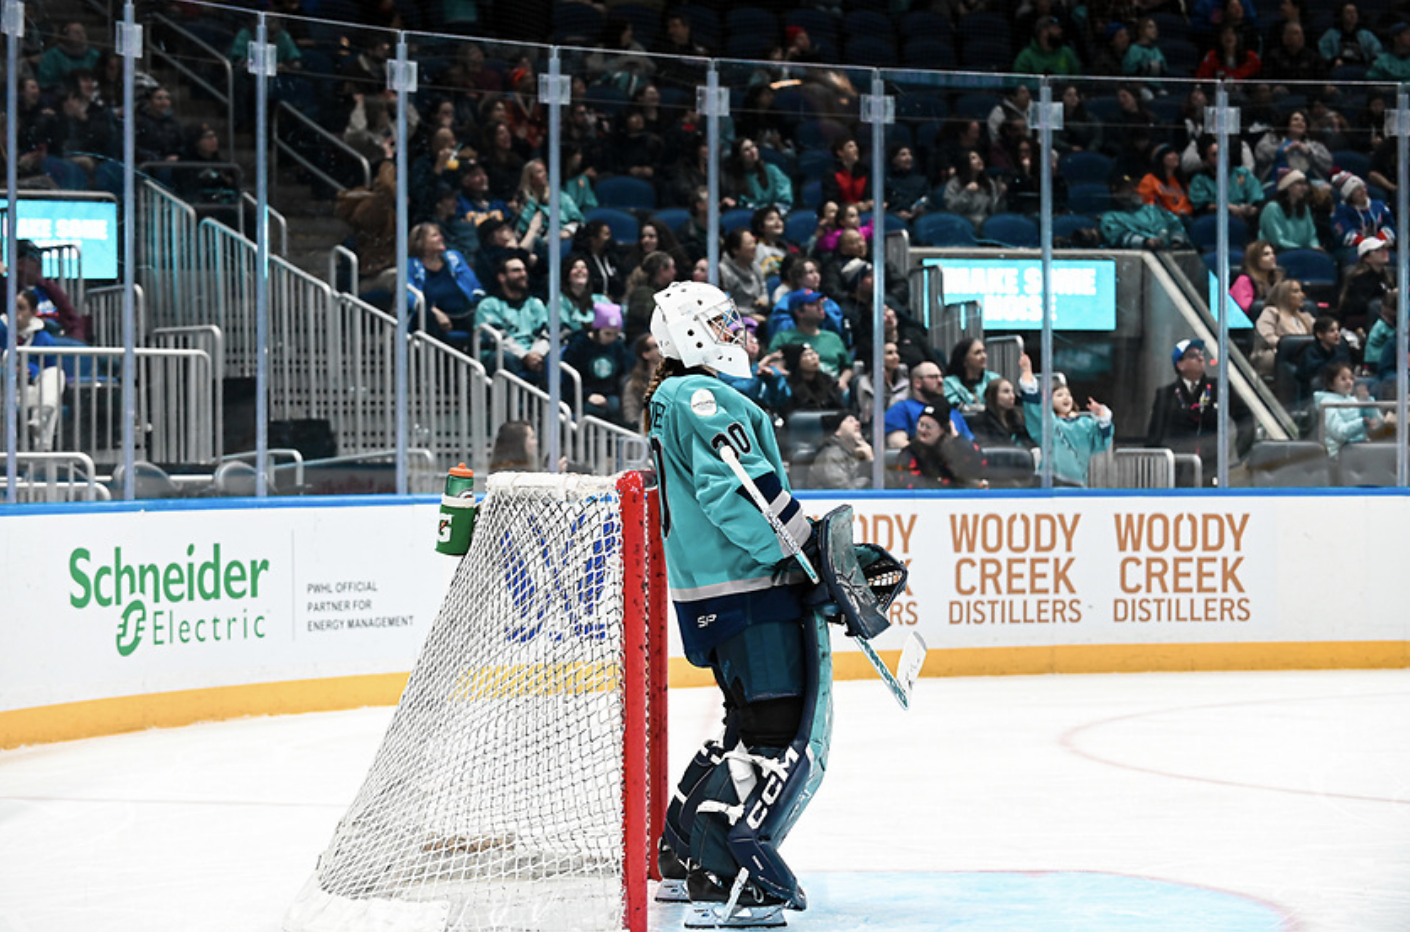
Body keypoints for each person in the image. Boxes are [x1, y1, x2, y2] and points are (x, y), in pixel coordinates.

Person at [643, 280, 829, 919]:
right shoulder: (700, 395)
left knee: (743, 732)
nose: (736, 333)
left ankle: (680, 854)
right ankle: (722, 878)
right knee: (773, 739)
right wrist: (809, 557)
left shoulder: (677, 396)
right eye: (721, 323)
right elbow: (740, 491)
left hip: (723, 594)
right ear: (691, 332)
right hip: (750, 590)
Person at [1146, 339, 1247, 483]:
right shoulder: (1166, 395)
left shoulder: (1220, 388)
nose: (1200, 358)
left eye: (1201, 354)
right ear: (1180, 365)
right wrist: (1153, 471)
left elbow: (1245, 417)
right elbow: (1154, 435)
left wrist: (1241, 453)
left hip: (1212, 468)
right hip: (1177, 470)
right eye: (1193, 355)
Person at [1017, 354, 1112, 486]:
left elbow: (1101, 442)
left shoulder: (1086, 424)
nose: (1065, 398)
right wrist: (1027, 372)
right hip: (1049, 484)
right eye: (1059, 395)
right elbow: (1034, 406)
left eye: (1068, 394)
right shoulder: (1048, 422)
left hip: (1077, 485)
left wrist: (1102, 416)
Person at [0, 288, 66, 451]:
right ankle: (43, 446)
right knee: (51, 403)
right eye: (12, 307)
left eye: (21, 308)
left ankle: (40, 419)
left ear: (33, 312)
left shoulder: (43, 337)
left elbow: (50, 368)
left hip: (30, 390)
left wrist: (30, 371)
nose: (15, 313)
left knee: (56, 375)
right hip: (5, 391)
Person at [475, 255, 550, 380]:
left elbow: (546, 333)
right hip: (502, 354)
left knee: (554, 357)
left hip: (534, 353)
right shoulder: (488, 305)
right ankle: (516, 400)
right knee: (505, 358)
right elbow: (497, 339)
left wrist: (537, 354)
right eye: (516, 270)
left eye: (524, 270)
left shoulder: (535, 303)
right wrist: (525, 356)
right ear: (502, 277)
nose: (523, 274)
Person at [407, 222, 483, 343]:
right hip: (432, 319)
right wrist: (435, 312)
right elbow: (409, 295)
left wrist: (479, 302)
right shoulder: (411, 265)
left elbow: (474, 285)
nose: (441, 237)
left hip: (464, 315)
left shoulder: (454, 258)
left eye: (440, 234)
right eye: (435, 235)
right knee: (428, 317)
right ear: (420, 242)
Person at [888, 400, 989, 490]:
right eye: (921, 424)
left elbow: (979, 464)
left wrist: (956, 438)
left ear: (943, 430)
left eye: (928, 426)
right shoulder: (909, 454)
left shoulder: (954, 450)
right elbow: (912, 486)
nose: (922, 430)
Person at [562, 300, 632, 424]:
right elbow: (568, 380)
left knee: (616, 407)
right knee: (592, 411)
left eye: (615, 334)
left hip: (609, 393)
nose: (612, 338)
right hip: (582, 395)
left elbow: (623, 372)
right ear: (596, 330)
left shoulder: (618, 347)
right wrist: (587, 395)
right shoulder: (579, 345)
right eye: (607, 334)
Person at [1, 241, 86, 342]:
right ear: (19, 264)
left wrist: (76, 339)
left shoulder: (49, 288)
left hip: (57, 337)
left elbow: (71, 319)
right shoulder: (8, 288)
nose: (38, 264)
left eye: (38, 260)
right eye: (32, 260)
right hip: (28, 338)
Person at [884, 360, 975, 447]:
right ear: (917, 382)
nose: (940, 381)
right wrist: (928, 459)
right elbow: (896, 443)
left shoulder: (953, 412)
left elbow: (970, 443)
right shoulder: (901, 409)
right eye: (933, 377)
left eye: (941, 376)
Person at [766, 290, 853, 382]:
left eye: (820, 303)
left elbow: (848, 367)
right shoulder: (783, 338)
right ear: (799, 312)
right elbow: (774, 364)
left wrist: (842, 382)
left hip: (832, 388)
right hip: (798, 388)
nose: (820, 307)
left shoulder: (833, 338)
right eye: (813, 304)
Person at [1315, 360, 1389, 458]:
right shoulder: (1327, 404)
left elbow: (1377, 421)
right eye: (1343, 379)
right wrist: (1362, 423)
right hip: (1338, 454)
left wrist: (1366, 401)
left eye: (1351, 378)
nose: (1349, 382)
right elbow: (1339, 433)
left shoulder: (1353, 400)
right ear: (1331, 384)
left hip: (1358, 448)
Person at [1100, 174, 1192, 250]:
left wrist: (1176, 241)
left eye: (1134, 187)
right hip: (1138, 258)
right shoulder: (1110, 217)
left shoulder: (1153, 209)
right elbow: (1119, 237)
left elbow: (1174, 223)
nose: (1134, 190)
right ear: (1116, 194)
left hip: (1169, 255)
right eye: (1128, 188)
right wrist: (1146, 242)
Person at [1188, 136, 1264, 223]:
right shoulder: (1199, 180)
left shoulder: (1243, 174)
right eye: (1215, 154)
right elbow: (1202, 207)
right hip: (1215, 221)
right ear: (1205, 161)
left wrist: (1249, 209)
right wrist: (1229, 208)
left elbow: (1257, 200)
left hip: (1245, 220)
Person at [1251, 278, 1315, 377]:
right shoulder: (1271, 312)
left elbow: (1321, 331)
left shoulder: (1305, 317)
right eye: (1296, 291)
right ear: (1284, 295)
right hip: (1275, 355)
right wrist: (1289, 346)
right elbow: (1266, 336)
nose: (1302, 295)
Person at [1330, 172, 1395, 258]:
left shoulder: (1379, 206)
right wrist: (1367, 245)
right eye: (1357, 190)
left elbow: (1390, 226)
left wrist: (1380, 241)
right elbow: (1344, 234)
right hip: (1354, 248)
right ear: (1349, 195)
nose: (1363, 191)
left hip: (1380, 245)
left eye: (1363, 187)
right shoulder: (1341, 211)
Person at [1337, 236, 1396, 331]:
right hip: (1362, 317)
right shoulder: (1358, 278)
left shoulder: (1388, 276)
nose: (1384, 252)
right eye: (1378, 250)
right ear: (1367, 258)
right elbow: (1360, 305)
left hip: (1383, 315)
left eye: (1384, 249)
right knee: (1376, 305)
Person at [805, 413, 874, 489]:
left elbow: (887, 485)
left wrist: (871, 459)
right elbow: (845, 493)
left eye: (857, 421)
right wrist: (869, 466)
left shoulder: (864, 451)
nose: (858, 423)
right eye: (850, 421)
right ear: (837, 432)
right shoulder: (831, 456)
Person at [943, 149, 1007, 230]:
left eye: (979, 157)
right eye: (973, 158)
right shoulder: (954, 183)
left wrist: (1000, 195)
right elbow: (952, 209)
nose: (979, 160)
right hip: (961, 225)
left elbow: (994, 211)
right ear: (965, 163)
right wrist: (967, 192)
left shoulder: (988, 183)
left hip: (984, 225)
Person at [725, 137, 794, 213]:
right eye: (746, 150)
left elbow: (784, 198)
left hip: (776, 213)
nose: (752, 151)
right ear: (739, 156)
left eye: (753, 146)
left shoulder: (772, 170)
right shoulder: (734, 178)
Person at [1258, 169, 1321, 252]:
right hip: (1277, 253)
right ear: (1288, 187)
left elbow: (1311, 236)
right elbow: (1277, 241)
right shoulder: (1272, 208)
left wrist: (1315, 247)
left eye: (1304, 183)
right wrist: (1302, 250)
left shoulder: (1305, 208)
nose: (1304, 187)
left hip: (1302, 252)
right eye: (1299, 183)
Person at [718, 227, 772, 321]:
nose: (754, 247)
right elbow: (726, 305)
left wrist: (764, 299)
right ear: (736, 250)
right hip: (737, 319)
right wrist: (749, 316)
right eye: (749, 244)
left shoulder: (755, 265)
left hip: (759, 312)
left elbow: (763, 287)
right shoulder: (723, 271)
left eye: (754, 242)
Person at [971, 377, 1038, 451]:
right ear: (992, 395)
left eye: (1012, 392)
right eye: (1006, 392)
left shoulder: (1018, 419)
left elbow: (1029, 443)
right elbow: (984, 446)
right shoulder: (980, 421)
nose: (1012, 396)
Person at [852, 340, 908, 428]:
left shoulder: (906, 384)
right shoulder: (864, 383)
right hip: (871, 429)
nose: (896, 357)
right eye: (890, 353)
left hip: (899, 427)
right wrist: (884, 385)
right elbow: (869, 412)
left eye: (896, 352)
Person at [779, 343, 847, 414]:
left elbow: (840, 408)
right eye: (807, 355)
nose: (814, 358)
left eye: (814, 353)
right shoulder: (788, 385)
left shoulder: (829, 381)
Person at [1293, 315, 1352, 397]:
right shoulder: (1310, 352)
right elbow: (1312, 374)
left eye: (1338, 330)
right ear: (1320, 335)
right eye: (1331, 331)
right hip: (1315, 394)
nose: (1337, 334)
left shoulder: (1341, 349)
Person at [942, 337, 1002, 411]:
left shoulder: (994, 378)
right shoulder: (949, 383)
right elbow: (955, 407)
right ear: (964, 360)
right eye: (978, 353)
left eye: (984, 351)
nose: (984, 356)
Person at [1230, 239, 1285, 318]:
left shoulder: (1278, 278)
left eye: (1273, 253)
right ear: (1255, 260)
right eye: (1266, 254)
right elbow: (1246, 308)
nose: (1273, 257)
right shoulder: (1244, 280)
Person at [1319, 2, 1382, 70]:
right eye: (1348, 12)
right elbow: (1324, 50)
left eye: (1354, 12)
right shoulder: (1331, 34)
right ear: (1341, 15)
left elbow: (1376, 50)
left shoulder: (1366, 35)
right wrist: (1333, 60)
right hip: (1339, 68)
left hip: (1362, 67)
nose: (1352, 15)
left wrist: (1374, 60)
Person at [621, 331, 662, 431]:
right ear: (646, 354)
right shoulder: (634, 384)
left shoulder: (678, 377)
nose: (662, 349)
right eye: (656, 346)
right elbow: (631, 414)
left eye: (663, 344)